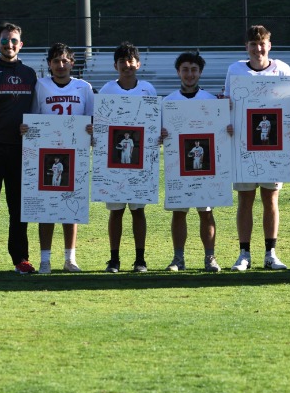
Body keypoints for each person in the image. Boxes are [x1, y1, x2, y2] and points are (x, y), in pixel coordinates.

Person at [224, 25, 290, 271]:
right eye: (253, 44)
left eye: (262, 43)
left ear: (269, 45)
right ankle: (244, 254)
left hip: (273, 144)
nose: (258, 48)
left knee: (271, 198)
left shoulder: (282, 69)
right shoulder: (235, 69)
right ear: (246, 47)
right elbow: (229, 102)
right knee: (245, 199)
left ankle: (270, 253)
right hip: (244, 143)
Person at [27, 43, 94, 274]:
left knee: (70, 206)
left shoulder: (84, 87)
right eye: (56, 61)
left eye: (65, 60)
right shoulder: (41, 85)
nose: (61, 65)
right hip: (47, 153)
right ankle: (45, 259)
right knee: (46, 207)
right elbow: (33, 117)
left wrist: (91, 130)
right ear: (49, 64)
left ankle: (70, 258)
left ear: (72, 63)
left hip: (75, 154)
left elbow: (91, 120)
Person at [0, 23, 37, 276]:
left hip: (21, 152)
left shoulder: (29, 74)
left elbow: (37, 112)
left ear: (20, 45)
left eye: (14, 41)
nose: (9, 45)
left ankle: (20, 259)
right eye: (5, 41)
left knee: (19, 208)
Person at [163, 51, 222, 273]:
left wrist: (226, 128)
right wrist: (161, 134)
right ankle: (178, 258)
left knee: (205, 211)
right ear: (178, 72)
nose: (189, 74)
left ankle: (210, 258)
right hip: (178, 163)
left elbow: (220, 133)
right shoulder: (168, 102)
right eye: (185, 70)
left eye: (194, 70)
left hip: (205, 165)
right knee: (179, 211)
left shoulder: (211, 101)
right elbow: (159, 134)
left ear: (200, 72)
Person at [100, 42, 157, 273]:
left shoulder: (148, 89)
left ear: (138, 64)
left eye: (131, 60)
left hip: (139, 158)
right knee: (116, 211)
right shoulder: (107, 90)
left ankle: (140, 259)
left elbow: (154, 123)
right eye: (122, 61)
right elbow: (100, 123)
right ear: (115, 65)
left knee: (138, 210)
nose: (127, 65)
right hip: (114, 159)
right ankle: (114, 259)